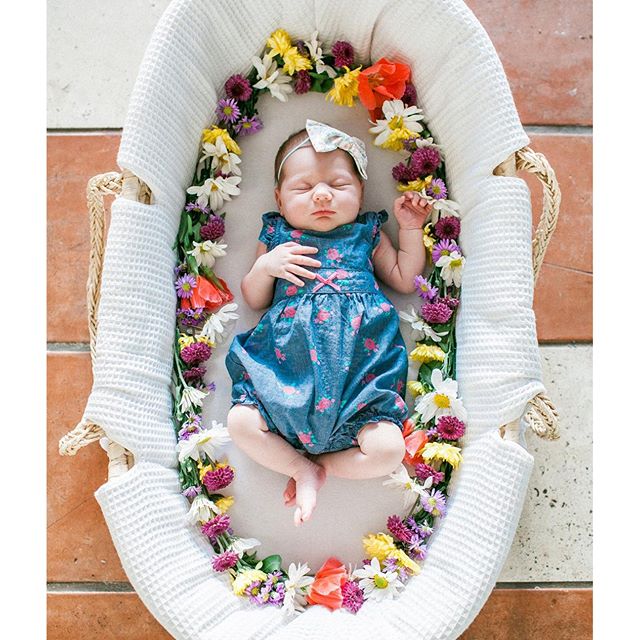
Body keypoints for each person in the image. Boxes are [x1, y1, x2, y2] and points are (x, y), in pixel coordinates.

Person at [224, 119, 432, 526]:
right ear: (280, 200)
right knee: (240, 422)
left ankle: (325, 466)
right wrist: (267, 266)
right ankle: (300, 468)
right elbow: (253, 297)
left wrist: (410, 229)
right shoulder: (279, 237)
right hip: (286, 377)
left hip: (360, 382)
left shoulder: (366, 236)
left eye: (338, 185)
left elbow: (406, 280)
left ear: (361, 194)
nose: (321, 194)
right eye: (303, 188)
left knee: (389, 451)